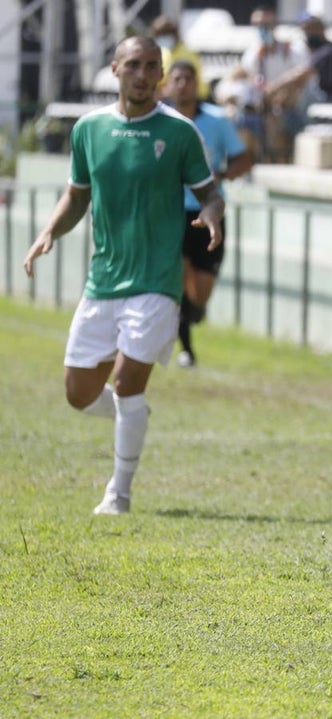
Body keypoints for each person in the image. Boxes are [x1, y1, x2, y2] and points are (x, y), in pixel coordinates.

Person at [21, 36, 222, 515]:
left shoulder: (179, 132)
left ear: (160, 74)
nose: (143, 73)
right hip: (104, 280)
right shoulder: (89, 129)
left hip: (157, 282)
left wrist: (212, 214)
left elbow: (210, 192)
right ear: (115, 69)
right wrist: (49, 231)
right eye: (134, 64)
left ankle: (119, 493)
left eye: (152, 66)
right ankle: (133, 418)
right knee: (78, 394)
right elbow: (77, 195)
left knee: (128, 381)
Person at [164, 61, 254, 368]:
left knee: (200, 291)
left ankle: (194, 309)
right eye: (176, 79)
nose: (182, 85)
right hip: (171, 213)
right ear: (168, 84)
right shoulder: (159, 120)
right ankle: (186, 348)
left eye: (188, 79)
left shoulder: (216, 120)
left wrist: (222, 176)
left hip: (209, 212)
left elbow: (244, 158)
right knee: (178, 279)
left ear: (197, 83)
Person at [241, 5, 311, 163]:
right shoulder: (253, 54)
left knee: (278, 116)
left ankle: (281, 160)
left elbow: (303, 74)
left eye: (266, 24)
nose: (262, 28)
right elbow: (250, 78)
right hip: (269, 109)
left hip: (300, 107)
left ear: (275, 25)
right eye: (258, 24)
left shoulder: (294, 48)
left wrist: (276, 89)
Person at [150, 15, 208, 100]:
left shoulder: (188, 54)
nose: (162, 39)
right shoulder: (162, 53)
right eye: (159, 36)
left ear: (174, 34)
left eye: (165, 34)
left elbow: (194, 86)